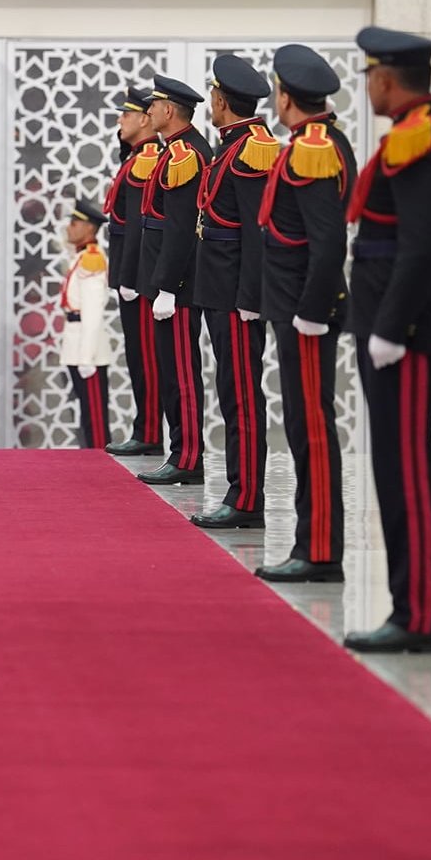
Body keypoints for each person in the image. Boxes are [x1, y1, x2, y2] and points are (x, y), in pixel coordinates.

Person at [342, 26, 431, 654]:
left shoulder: (424, 137)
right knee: (396, 470)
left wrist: (390, 329)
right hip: (389, 327)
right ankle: (410, 607)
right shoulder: (418, 131)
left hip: (408, 335)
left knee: (408, 472)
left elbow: (421, 246)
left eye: (370, 77)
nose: (368, 87)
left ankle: (418, 615)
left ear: (388, 79)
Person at [253, 44, 355, 584]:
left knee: (311, 428)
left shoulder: (313, 149)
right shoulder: (317, 141)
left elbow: (327, 240)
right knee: (301, 425)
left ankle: (317, 552)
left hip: (305, 315)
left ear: (285, 97)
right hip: (295, 311)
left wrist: (313, 312)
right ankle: (310, 544)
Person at [188, 55, 279, 531]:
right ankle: (240, 491)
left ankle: (246, 498)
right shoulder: (234, 145)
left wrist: (251, 298)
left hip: (237, 296)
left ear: (221, 100)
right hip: (219, 289)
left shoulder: (252, 150)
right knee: (231, 391)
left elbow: (256, 230)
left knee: (242, 395)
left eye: (213, 95)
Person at [135, 75, 214, 487]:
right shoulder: (174, 150)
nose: (148, 112)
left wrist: (168, 285)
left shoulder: (185, 154)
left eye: (154, 105)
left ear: (169, 110)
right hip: (166, 280)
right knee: (170, 371)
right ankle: (180, 452)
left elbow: (182, 228)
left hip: (178, 286)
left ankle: (187, 457)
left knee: (181, 372)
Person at [103, 87, 163, 458]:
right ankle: (146, 427)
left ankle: (150, 431)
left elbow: (140, 225)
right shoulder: (136, 156)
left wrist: (130, 277)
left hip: (139, 276)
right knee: (138, 354)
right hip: (131, 273)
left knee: (146, 356)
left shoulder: (148, 156)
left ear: (144, 119)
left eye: (126, 115)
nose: (119, 121)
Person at [56, 199, 115, 448]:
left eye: (75, 223)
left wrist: (87, 357)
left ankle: (103, 464)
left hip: (86, 349)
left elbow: (92, 313)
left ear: (90, 229)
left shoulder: (92, 259)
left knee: (95, 418)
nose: (69, 228)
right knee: (87, 413)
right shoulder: (81, 256)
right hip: (76, 344)